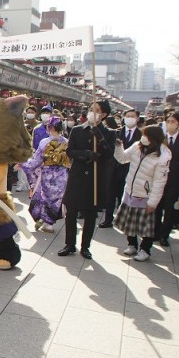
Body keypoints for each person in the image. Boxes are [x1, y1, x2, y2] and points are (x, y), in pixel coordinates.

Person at [59, 100, 116, 258]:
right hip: (77, 176)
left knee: (90, 214)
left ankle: (85, 246)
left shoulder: (110, 133)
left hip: (95, 178)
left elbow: (110, 155)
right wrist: (86, 154)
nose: (92, 112)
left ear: (103, 115)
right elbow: (70, 151)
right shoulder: (77, 130)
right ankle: (69, 244)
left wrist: (101, 138)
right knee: (71, 212)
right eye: (91, 109)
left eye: (96, 110)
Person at [112, 124, 170, 261]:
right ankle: (132, 244)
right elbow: (122, 158)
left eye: (146, 135)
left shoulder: (163, 155)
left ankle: (145, 249)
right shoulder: (137, 146)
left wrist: (153, 202)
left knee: (146, 226)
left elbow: (160, 182)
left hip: (146, 194)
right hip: (130, 190)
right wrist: (118, 146)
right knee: (129, 221)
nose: (143, 137)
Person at [20, 116, 69, 233]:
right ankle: (48, 222)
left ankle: (45, 221)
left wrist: (22, 163)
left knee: (44, 198)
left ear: (50, 127)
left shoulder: (45, 142)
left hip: (48, 174)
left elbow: (35, 162)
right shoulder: (67, 142)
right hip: (62, 175)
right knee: (56, 200)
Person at [155, 112, 179, 246]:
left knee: (169, 207)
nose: (170, 124)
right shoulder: (160, 139)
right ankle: (156, 232)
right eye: (168, 121)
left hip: (175, 178)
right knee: (157, 205)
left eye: (173, 121)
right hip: (159, 178)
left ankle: (165, 235)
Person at [102, 108, 142, 228]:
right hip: (113, 168)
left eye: (132, 116)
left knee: (124, 195)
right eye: (128, 116)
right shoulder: (115, 132)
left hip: (131, 168)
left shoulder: (141, 135)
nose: (130, 118)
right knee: (110, 194)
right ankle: (108, 219)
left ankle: (123, 220)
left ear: (137, 119)